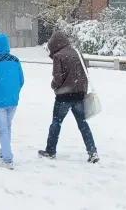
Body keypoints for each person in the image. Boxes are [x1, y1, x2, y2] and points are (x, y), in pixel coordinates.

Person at [39, 31, 98, 163]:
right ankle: (92, 151)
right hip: (79, 94)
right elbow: (84, 73)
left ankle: (50, 150)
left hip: (64, 96)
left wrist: (54, 86)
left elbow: (57, 78)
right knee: (83, 124)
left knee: (56, 123)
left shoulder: (58, 56)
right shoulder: (77, 53)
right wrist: (81, 90)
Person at [0, 33, 24, 168]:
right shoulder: (15, 60)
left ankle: (7, 159)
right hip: (13, 100)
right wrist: (15, 92)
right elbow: (21, 80)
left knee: (3, 129)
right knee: (7, 127)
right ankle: (3, 151)